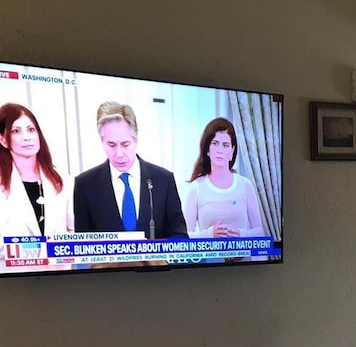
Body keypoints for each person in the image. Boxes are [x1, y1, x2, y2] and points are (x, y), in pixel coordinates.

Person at [74, 101, 187, 239]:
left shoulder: (163, 180)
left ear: (136, 139)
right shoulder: (85, 185)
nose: (119, 153)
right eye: (111, 145)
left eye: (125, 144)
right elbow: (82, 246)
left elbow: (180, 236)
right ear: (101, 141)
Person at [0, 103, 74, 248]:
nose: (27, 137)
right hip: (16, 270)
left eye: (31, 130)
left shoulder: (62, 178)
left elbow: (73, 230)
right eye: (16, 131)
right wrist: (38, 249)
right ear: (3, 140)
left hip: (60, 269)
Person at [185, 117, 264, 242]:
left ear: (232, 150)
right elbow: (185, 236)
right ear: (207, 149)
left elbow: (260, 232)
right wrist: (209, 234)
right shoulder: (197, 188)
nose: (220, 150)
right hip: (209, 260)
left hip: (244, 260)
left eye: (225, 145)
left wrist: (240, 234)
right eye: (215, 143)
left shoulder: (245, 185)